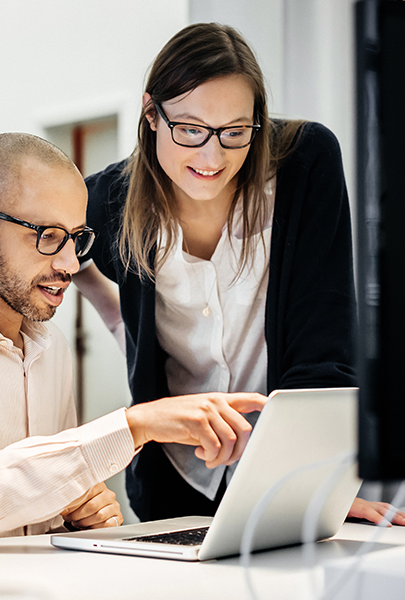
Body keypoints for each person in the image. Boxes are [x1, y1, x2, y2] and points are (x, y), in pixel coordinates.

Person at [0, 132, 267, 539]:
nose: (69, 263)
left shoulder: (52, 349)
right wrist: (135, 425)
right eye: (47, 236)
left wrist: (78, 514)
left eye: (76, 238)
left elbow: (40, 500)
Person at [73, 22, 405, 526]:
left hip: (284, 475)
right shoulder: (111, 198)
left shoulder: (303, 166)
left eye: (234, 133)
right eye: (189, 129)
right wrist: (105, 302)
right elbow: (45, 245)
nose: (213, 157)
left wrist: (315, 482)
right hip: (174, 480)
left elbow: (325, 344)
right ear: (151, 115)